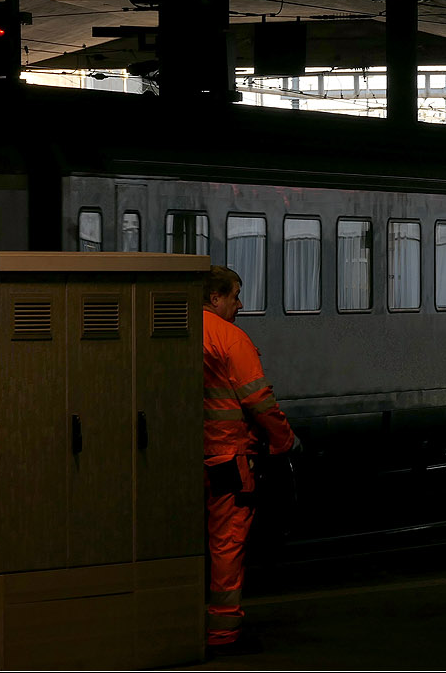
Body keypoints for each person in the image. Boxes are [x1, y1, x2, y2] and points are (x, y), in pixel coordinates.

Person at [202, 265, 300, 655]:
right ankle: (222, 634)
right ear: (216, 298)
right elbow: (258, 400)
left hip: (185, 457)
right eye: (235, 296)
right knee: (227, 545)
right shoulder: (230, 338)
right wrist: (285, 441)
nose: (239, 305)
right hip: (228, 458)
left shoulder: (179, 331)